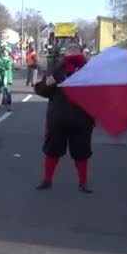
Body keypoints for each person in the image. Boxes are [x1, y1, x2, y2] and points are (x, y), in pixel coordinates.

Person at [34, 43, 95, 193]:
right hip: (59, 118)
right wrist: (47, 85)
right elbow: (42, 90)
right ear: (65, 53)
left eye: (75, 49)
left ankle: (83, 182)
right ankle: (47, 180)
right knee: (52, 150)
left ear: (82, 52)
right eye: (70, 49)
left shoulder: (90, 70)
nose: (72, 51)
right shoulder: (57, 69)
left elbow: (98, 94)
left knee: (81, 153)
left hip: (81, 119)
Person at [0, 46, 14, 111]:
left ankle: (8, 106)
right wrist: (2, 67)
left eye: (6, 52)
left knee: (7, 91)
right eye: (4, 52)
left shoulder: (10, 59)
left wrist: (1, 66)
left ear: (8, 52)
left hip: (7, 77)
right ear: (2, 52)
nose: (5, 53)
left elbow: (8, 66)